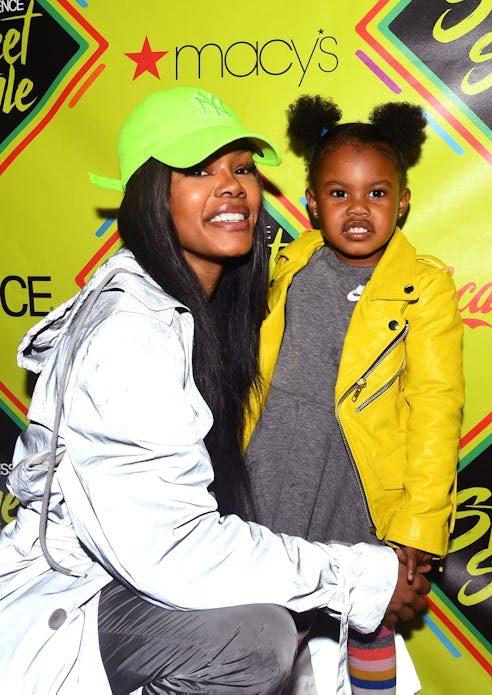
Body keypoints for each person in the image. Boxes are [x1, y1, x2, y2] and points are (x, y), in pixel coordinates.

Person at [0, 87, 430, 695]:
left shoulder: (221, 311)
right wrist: (359, 575)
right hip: (77, 598)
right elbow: (175, 548)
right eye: (198, 170)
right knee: (254, 641)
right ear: (151, 195)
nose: (231, 186)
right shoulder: (128, 335)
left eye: (242, 169)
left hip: (136, 582)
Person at [244, 95, 465, 694]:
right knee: (265, 627)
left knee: (368, 626)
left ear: (404, 201)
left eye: (377, 192)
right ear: (312, 202)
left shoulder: (426, 288)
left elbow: (437, 410)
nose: (359, 209)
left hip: (364, 492)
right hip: (272, 476)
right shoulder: (284, 265)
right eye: (339, 193)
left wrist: (418, 528)